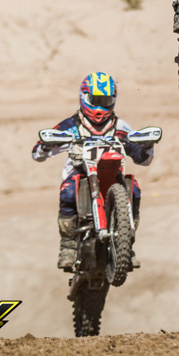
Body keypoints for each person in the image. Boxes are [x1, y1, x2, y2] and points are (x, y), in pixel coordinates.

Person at [31, 72, 154, 270]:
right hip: (79, 175)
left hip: (113, 177)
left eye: (105, 101)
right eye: (95, 101)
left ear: (113, 100)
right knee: (68, 190)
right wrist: (46, 145)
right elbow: (37, 154)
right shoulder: (70, 126)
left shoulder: (121, 127)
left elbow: (143, 159)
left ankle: (127, 246)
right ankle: (68, 246)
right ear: (84, 97)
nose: (99, 108)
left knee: (135, 189)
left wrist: (147, 145)